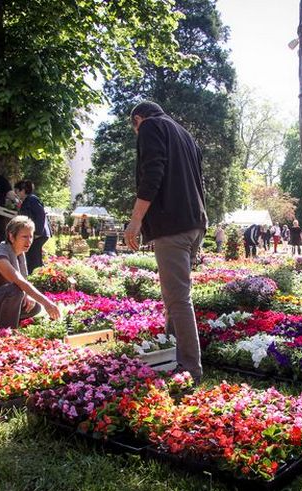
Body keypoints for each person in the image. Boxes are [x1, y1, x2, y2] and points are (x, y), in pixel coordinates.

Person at [123, 101, 207, 383]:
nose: (137, 133)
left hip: (173, 224)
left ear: (138, 119)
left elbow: (152, 174)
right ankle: (174, 355)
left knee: (179, 299)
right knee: (175, 296)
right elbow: (199, 182)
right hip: (194, 222)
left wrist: (135, 220)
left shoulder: (150, 126)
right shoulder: (183, 133)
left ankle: (189, 368)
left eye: (135, 128)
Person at [0, 215, 61, 329]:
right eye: (24, 237)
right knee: (16, 290)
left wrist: (29, 296)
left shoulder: (19, 254)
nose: (29, 241)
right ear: (11, 237)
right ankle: (7, 333)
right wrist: (47, 303)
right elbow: (19, 281)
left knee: (34, 306)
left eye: (31, 236)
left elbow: (23, 282)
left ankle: (2, 322)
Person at [14, 180, 50, 274]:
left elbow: (40, 214)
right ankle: (34, 276)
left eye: (17, 191)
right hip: (34, 233)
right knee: (32, 256)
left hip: (38, 234)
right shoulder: (27, 201)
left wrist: (37, 232)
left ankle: (36, 277)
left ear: (23, 190)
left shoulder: (32, 199)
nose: (16, 194)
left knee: (33, 257)